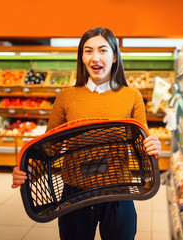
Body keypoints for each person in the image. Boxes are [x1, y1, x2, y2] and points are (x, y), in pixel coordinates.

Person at [12, 27, 162, 240]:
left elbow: (141, 146)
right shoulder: (66, 97)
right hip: (74, 194)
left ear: (114, 56)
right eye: (88, 51)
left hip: (118, 193)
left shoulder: (132, 96)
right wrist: (25, 172)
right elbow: (47, 150)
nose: (95, 57)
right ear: (82, 57)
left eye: (102, 50)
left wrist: (153, 148)